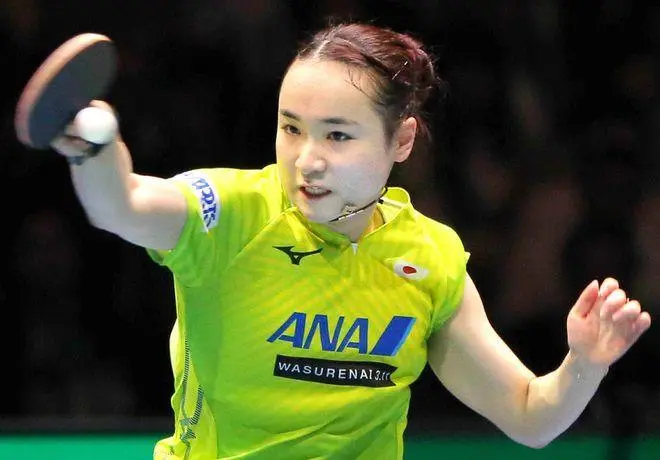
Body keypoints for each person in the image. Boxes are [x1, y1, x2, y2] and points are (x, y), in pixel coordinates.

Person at [49, 21, 651, 460]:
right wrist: (94, 148)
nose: (307, 159)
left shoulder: (429, 258)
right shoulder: (228, 213)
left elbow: (529, 416)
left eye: (338, 136)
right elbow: (120, 205)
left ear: (402, 141)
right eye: (291, 128)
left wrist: (584, 364)